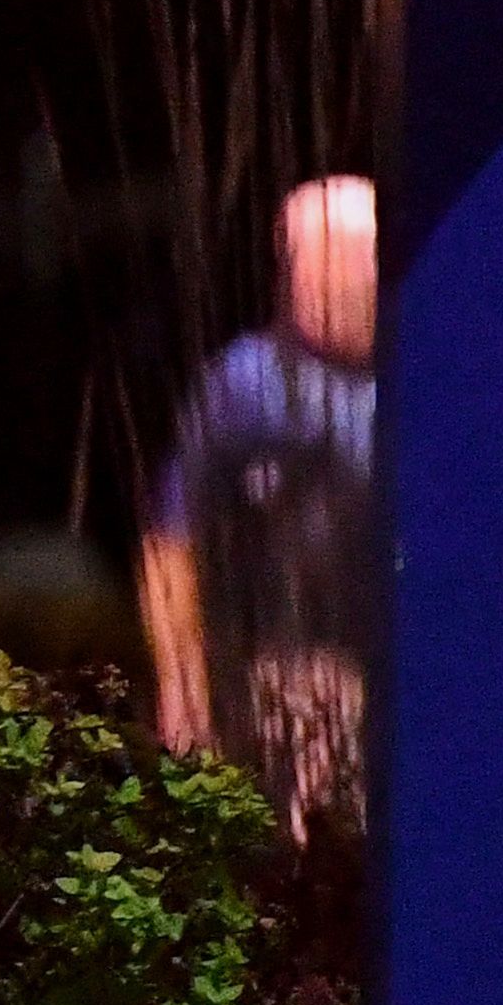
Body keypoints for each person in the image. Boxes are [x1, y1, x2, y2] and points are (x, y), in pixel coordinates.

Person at [137, 169, 377, 843]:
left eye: (360, 261)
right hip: (294, 681)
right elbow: (169, 546)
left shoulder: (427, 376)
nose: (342, 280)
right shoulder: (245, 386)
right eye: (323, 261)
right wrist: (182, 689)